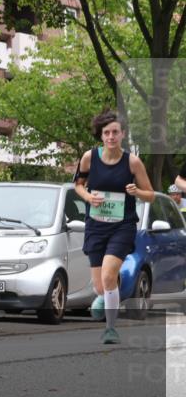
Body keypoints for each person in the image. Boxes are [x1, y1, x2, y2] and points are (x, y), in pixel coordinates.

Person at [73, 110, 155, 344]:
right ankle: (107, 293)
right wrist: (88, 198)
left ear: (122, 134)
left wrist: (136, 192)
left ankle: (110, 329)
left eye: (115, 132)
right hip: (96, 225)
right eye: (106, 132)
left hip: (123, 225)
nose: (111, 136)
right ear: (101, 136)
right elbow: (78, 185)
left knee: (109, 275)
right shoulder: (89, 157)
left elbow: (150, 196)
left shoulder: (132, 162)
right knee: (101, 285)